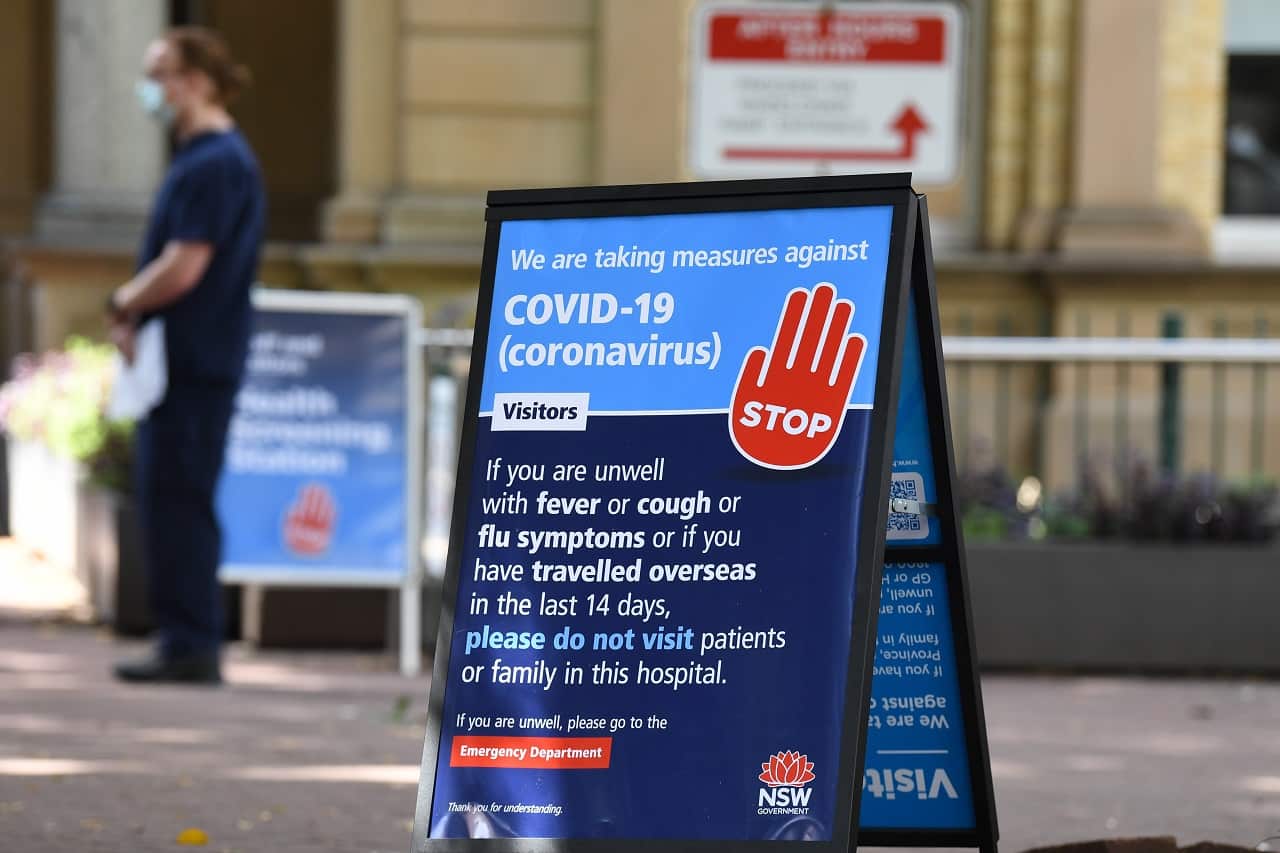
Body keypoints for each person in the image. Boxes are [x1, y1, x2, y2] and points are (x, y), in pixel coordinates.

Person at [108, 27, 265, 684]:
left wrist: (125, 301)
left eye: (161, 73)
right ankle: (182, 638)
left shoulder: (215, 163)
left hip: (195, 364)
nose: (153, 88)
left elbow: (185, 263)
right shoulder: (204, 158)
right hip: (184, 362)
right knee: (169, 496)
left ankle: (192, 642)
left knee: (182, 499)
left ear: (195, 80)